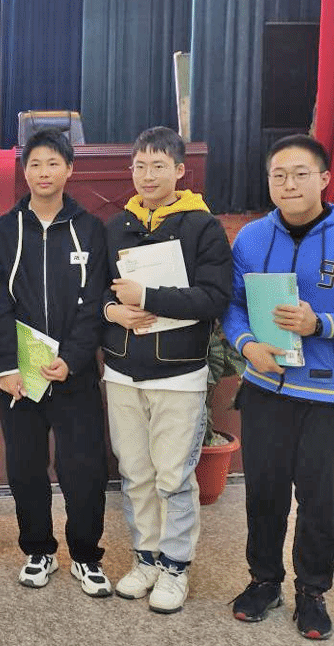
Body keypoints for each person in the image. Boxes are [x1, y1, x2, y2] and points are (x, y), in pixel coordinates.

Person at [223, 134, 334, 640]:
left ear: (324, 179)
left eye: (300, 174)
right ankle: (264, 581)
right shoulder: (252, 238)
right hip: (265, 387)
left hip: (330, 395)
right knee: (264, 493)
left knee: (320, 501)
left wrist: (322, 324)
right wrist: (247, 344)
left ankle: (312, 591)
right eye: (278, 175)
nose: (289, 184)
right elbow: (233, 305)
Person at [101, 127, 231, 614]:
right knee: (135, 473)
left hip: (178, 376)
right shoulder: (117, 225)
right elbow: (95, 291)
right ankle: (146, 558)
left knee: (173, 476)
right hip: (122, 372)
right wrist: (111, 311)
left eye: (158, 166)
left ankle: (175, 566)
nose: (147, 175)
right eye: (139, 166)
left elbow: (214, 298)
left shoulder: (203, 226)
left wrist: (148, 297)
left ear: (180, 170)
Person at [0, 129, 111, 597]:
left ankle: (86, 556)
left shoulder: (90, 229)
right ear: (24, 170)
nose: (43, 172)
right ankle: (38, 550)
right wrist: (7, 367)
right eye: (35, 163)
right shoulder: (2, 232)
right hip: (21, 374)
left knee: (84, 468)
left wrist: (72, 359)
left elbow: (94, 303)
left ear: (70, 169)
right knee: (26, 467)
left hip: (74, 373)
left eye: (53, 163)